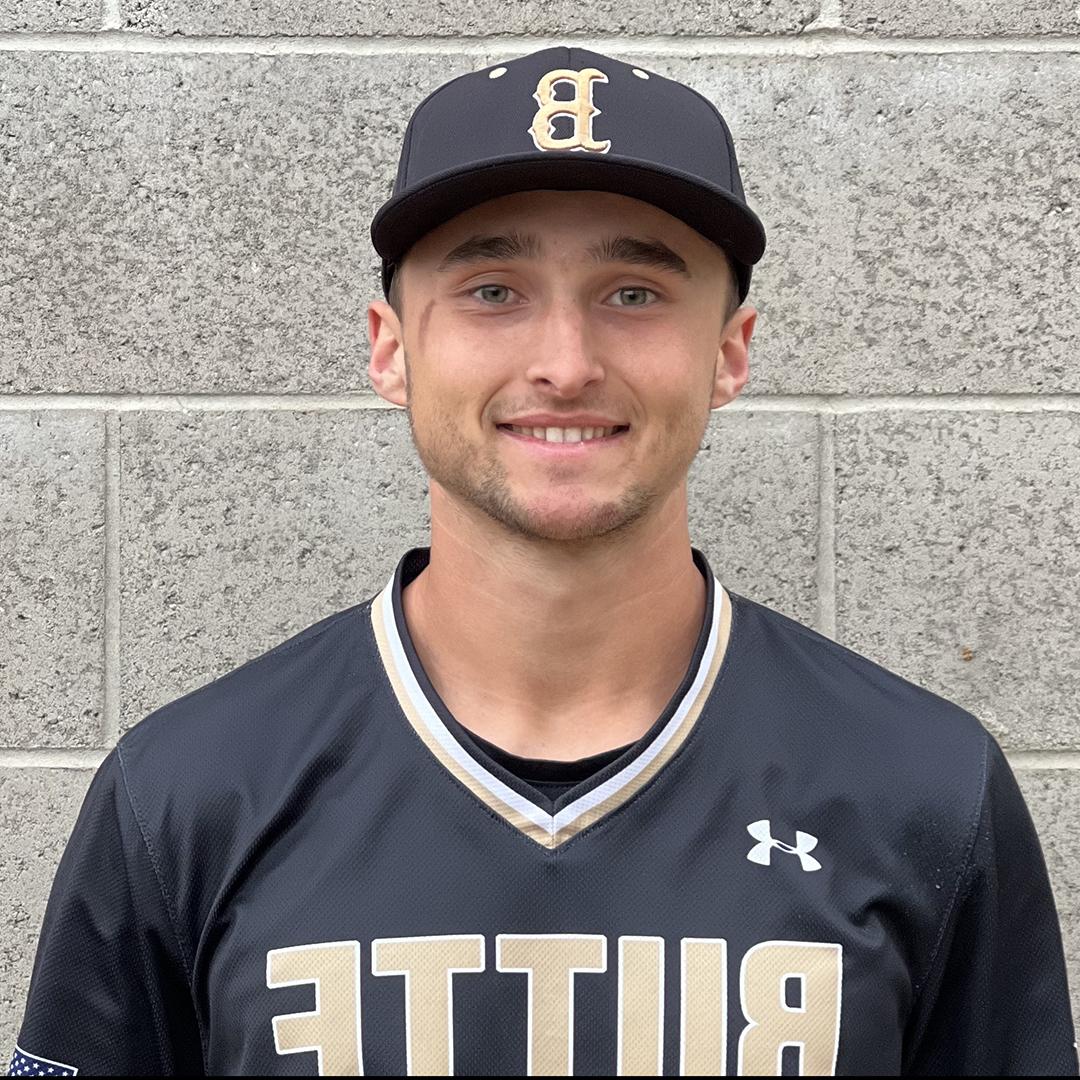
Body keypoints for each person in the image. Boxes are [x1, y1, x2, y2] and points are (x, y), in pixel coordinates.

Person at [8, 46, 1077, 1077]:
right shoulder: (188, 793)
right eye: (492, 291)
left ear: (729, 351)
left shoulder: (924, 787)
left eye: (635, 293)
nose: (565, 363)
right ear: (391, 347)